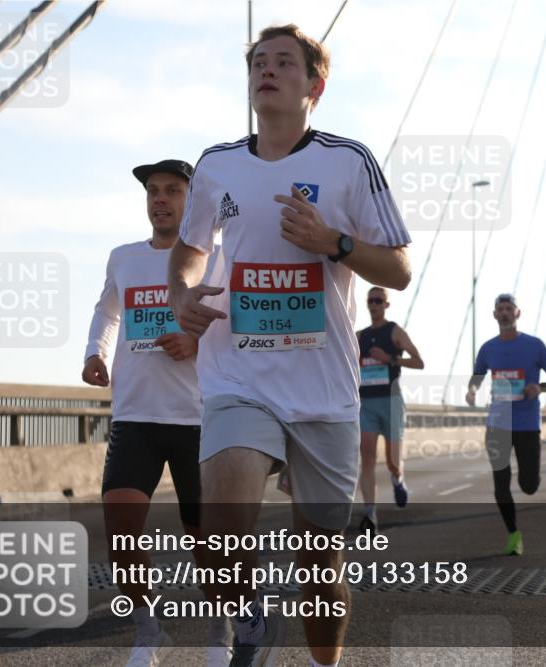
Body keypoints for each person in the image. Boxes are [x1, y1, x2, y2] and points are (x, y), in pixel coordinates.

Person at [168, 24, 411, 667]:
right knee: (220, 539)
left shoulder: (347, 161)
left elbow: (399, 270)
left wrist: (335, 243)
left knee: (320, 568)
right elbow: (190, 252)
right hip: (237, 377)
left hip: (323, 392)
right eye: (256, 62)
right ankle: (251, 621)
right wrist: (182, 295)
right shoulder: (216, 165)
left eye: (282, 62)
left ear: (315, 86)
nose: (265, 71)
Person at [83, 159, 230, 666]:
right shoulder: (123, 258)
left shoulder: (215, 261)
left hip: (199, 417)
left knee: (209, 540)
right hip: (135, 416)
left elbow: (239, 325)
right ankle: (149, 631)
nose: (160, 199)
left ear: (192, 203)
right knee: (120, 528)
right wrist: (95, 353)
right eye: (153, 191)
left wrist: (195, 339)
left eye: (172, 190)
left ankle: (220, 632)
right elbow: (107, 310)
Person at [466, 294, 546, 555]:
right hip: (498, 423)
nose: (505, 313)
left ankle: (528, 473)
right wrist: (472, 391)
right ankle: (513, 534)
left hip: (527, 423)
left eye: (509, 308)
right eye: (501, 309)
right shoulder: (488, 348)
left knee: (529, 486)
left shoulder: (534, 345)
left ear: (517, 313)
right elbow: (477, 374)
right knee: (501, 483)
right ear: (495, 315)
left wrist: (540, 387)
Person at [357, 285, 424, 533]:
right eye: (370, 301)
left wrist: (390, 359)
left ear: (386, 305)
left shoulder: (395, 332)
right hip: (366, 404)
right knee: (367, 460)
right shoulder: (360, 337)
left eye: (378, 300)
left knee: (393, 461)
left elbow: (419, 362)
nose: (374, 304)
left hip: (391, 401)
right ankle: (369, 514)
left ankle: (397, 478)